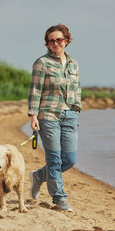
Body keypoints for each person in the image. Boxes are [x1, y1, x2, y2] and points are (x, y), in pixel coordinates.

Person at [27, 24, 81, 211]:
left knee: (69, 159)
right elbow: (35, 90)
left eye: (59, 39)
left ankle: (39, 176)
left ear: (66, 41)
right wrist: (33, 115)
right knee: (54, 159)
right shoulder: (41, 63)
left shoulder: (73, 63)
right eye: (51, 40)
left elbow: (76, 88)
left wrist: (76, 107)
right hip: (48, 114)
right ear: (47, 44)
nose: (55, 43)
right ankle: (59, 198)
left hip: (70, 115)